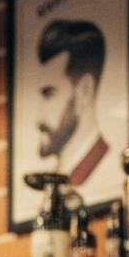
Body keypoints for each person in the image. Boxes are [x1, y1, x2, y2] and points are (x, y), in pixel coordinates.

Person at [33, 18, 111, 192]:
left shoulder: (107, 167)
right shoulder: (63, 178)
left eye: (49, 94)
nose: (37, 119)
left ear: (84, 92)